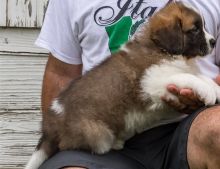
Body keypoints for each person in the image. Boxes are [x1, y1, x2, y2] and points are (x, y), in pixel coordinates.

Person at [35, 0, 220, 168]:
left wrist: (209, 93)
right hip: (107, 132)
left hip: (188, 129)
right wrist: (56, 137)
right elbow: (60, 73)